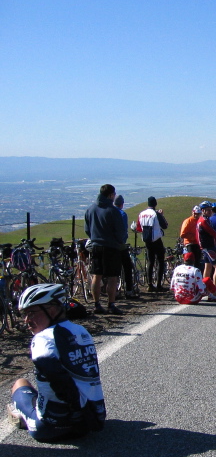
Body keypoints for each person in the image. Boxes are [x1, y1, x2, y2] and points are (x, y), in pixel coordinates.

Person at [7, 284, 106, 441]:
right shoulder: (82, 331)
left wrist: (75, 412)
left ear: (52, 310)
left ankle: (22, 416)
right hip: (93, 419)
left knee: (20, 383)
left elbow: (56, 376)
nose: (26, 320)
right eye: (24, 314)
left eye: (31, 313)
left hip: (50, 427)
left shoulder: (42, 338)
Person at [84, 184, 125, 315]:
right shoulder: (113, 211)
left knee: (97, 275)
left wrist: (94, 237)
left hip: (96, 245)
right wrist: (120, 241)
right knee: (112, 277)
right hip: (111, 246)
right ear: (110, 195)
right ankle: (111, 304)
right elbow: (120, 232)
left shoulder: (90, 209)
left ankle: (96, 304)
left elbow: (87, 229)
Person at [137, 196, 169, 292]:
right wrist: (161, 215)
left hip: (147, 240)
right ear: (155, 204)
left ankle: (150, 284)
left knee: (150, 262)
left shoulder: (141, 214)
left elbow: (138, 228)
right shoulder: (156, 214)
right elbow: (165, 226)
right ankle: (159, 284)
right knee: (160, 261)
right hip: (156, 239)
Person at [113, 195, 136, 299]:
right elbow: (123, 230)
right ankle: (129, 290)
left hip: (109, 244)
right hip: (120, 245)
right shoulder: (122, 214)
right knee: (127, 267)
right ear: (122, 204)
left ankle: (114, 291)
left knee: (113, 269)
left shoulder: (109, 212)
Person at [197, 200, 216, 287]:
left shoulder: (203, 219)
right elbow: (214, 233)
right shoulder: (204, 221)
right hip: (209, 247)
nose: (210, 212)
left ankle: (205, 287)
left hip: (205, 247)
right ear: (203, 210)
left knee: (208, 267)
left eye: (211, 210)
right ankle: (215, 288)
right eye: (208, 210)